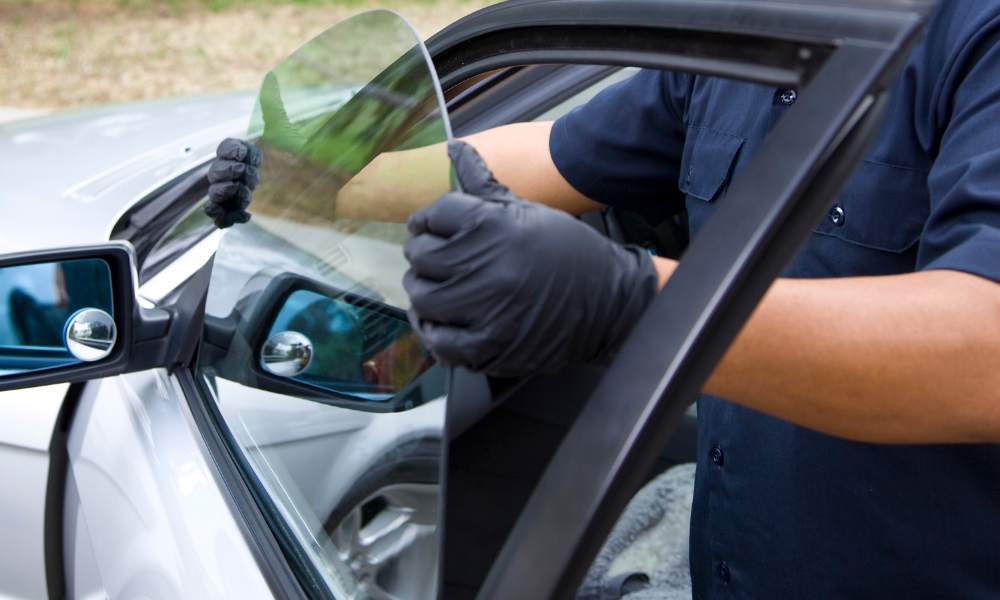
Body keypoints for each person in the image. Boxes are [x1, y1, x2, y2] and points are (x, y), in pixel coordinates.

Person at [208, 2, 1000, 595]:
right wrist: (322, 185)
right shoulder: (752, 28)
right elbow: (552, 156)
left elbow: (983, 352)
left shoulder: (978, 33)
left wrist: (633, 306)